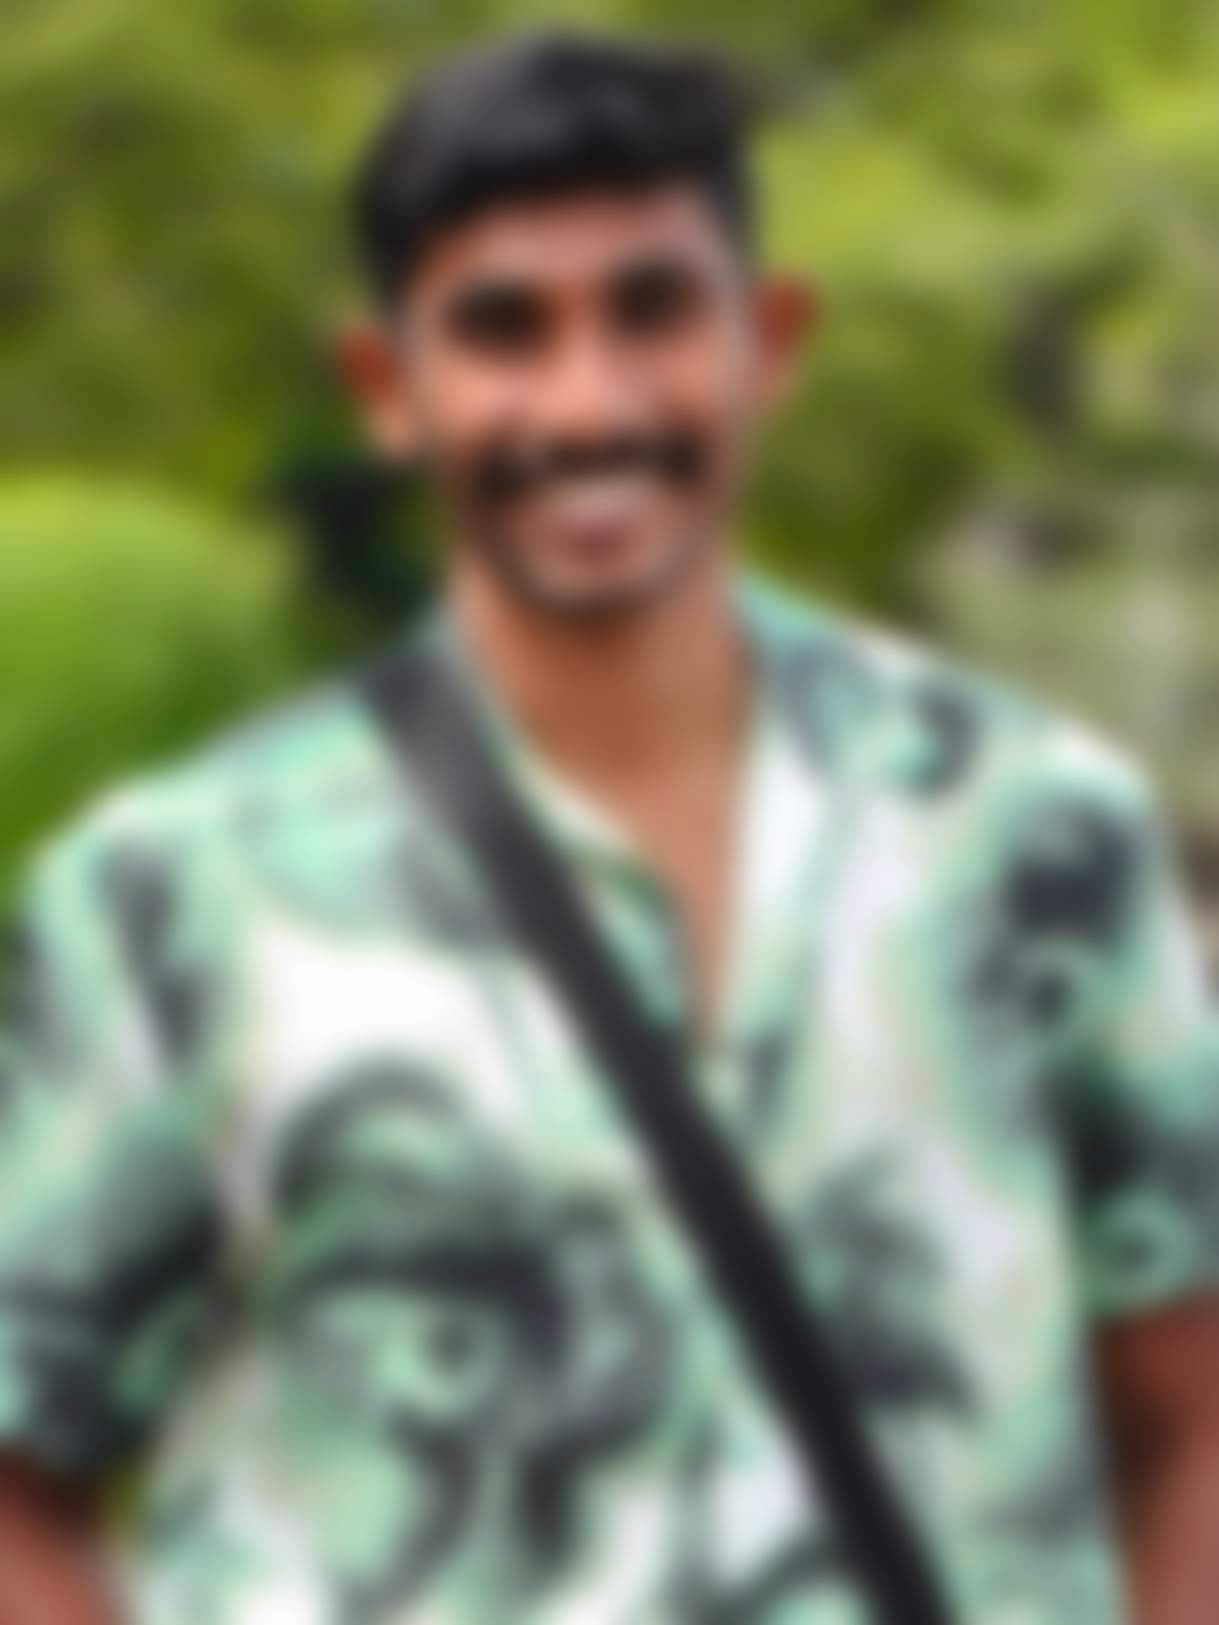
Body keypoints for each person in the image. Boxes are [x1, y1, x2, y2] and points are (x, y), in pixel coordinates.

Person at [1, 30, 1218, 1625]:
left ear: (767, 343)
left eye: (654, 309)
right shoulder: (174, 894)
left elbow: (1189, 1409)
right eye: (503, 329)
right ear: (388, 389)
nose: (589, 402)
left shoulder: (1036, 833)